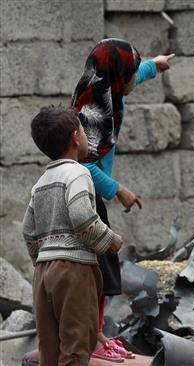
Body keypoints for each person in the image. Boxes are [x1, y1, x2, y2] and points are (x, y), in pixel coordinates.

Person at [71, 38, 174, 362]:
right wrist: (118, 190)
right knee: (97, 273)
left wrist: (153, 66)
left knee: (104, 272)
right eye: (130, 75)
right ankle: (93, 338)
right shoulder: (93, 115)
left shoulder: (104, 87)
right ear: (118, 76)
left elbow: (131, 75)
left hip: (91, 195)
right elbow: (84, 164)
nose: (133, 81)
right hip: (84, 196)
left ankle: (97, 334)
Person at [23, 106, 124, 366]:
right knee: (77, 347)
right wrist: (109, 240)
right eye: (82, 130)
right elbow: (81, 216)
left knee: (50, 349)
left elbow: (28, 230)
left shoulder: (41, 181)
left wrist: (42, 259)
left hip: (43, 273)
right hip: (74, 270)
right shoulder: (78, 172)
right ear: (75, 138)